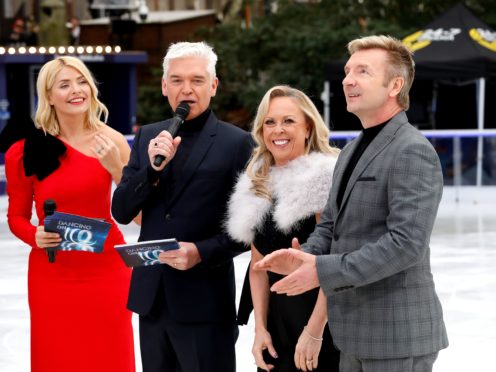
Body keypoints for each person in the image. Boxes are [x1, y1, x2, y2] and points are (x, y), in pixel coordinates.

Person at [255, 35, 449, 372]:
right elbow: (331, 224)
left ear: (395, 85)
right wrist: (307, 255)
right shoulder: (351, 151)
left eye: (363, 71)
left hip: (396, 337)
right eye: (347, 71)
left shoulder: (411, 150)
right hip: (353, 335)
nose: (348, 80)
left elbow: (406, 245)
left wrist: (321, 270)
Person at [111, 41, 253, 372]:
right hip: (153, 300)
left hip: (205, 303)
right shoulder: (147, 137)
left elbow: (249, 229)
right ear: (164, 86)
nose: (186, 89)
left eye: (197, 80)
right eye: (176, 80)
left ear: (213, 85)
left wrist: (200, 252)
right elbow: (121, 210)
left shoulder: (237, 143)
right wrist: (152, 170)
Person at [2, 56, 135, 372]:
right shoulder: (24, 151)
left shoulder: (113, 141)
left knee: (111, 356)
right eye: (64, 84)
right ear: (48, 96)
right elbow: (16, 217)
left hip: (107, 270)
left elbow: (139, 213)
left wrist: (117, 167)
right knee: (58, 357)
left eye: (81, 82)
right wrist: (34, 236)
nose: (77, 90)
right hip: (53, 274)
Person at [226, 85, 341, 371]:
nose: (278, 130)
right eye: (270, 122)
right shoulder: (257, 182)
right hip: (277, 328)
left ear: (308, 129)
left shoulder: (324, 177)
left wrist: (314, 331)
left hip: (322, 323)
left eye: (289, 121)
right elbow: (257, 266)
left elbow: (335, 265)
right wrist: (260, 329)